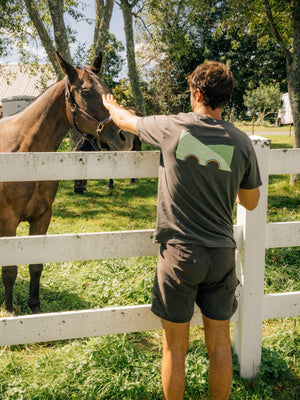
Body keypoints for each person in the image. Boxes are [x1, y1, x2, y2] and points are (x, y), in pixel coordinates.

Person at [102, 61, 261, 400]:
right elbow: (251, 201)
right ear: (225, 98)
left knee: (175, 349)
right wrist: (220, 172)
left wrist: (111, 105)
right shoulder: (241, 142)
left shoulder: (171, 128)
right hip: (220, 255)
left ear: (198, 93)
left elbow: (124, 121)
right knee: (219, 345)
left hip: (179, 254)